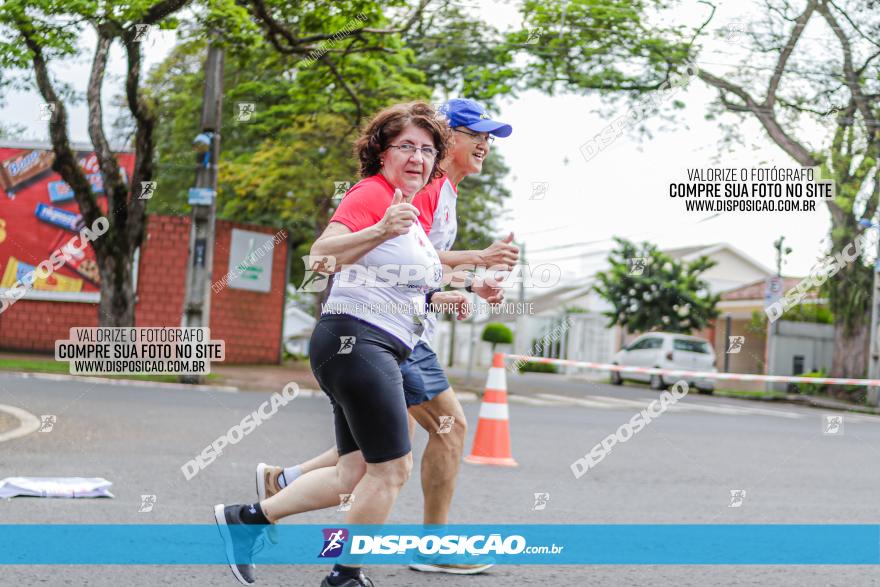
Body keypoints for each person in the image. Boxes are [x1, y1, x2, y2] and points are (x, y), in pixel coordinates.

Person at [213, 101, 472, 587]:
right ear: (381, 152)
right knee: (392, 469)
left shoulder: (410, 211)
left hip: (372, 343)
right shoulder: (373, 194)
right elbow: (321, 256)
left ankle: (245, 520)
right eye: (405, 147)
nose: (417, 157)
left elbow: (400, 279)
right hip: (358, 340)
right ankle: (344, 576)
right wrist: (378, 227)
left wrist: (447, 294)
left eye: (426, 149)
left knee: (353, 472)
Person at [255, 98, 518, 575]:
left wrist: (467, 280)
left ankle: (274, 493)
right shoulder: (421, 188)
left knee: (369, 454)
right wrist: (470, 265)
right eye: (475, 133)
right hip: (379, 333)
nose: (485, 144)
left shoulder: (440, 191)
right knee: (425, 440)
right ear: (449, 139)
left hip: (394, 331)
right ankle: (405, 552)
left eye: (490, 136)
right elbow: (354, 254)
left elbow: (413, 267)